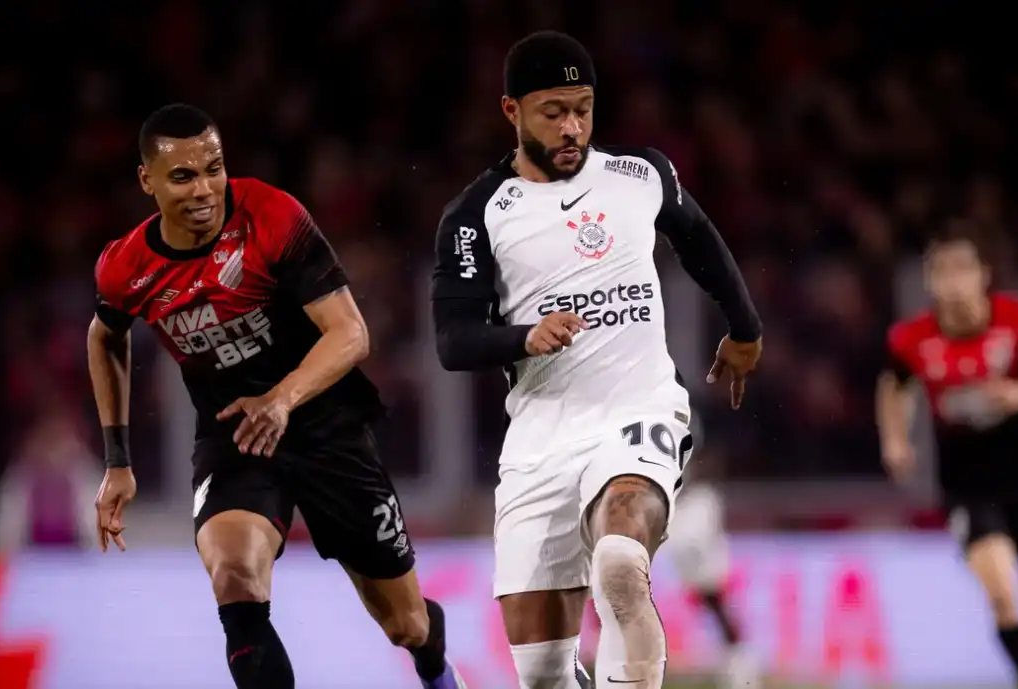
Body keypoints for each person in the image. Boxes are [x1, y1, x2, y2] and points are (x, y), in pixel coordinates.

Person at [89, 104, 465, 689]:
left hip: (326, 426)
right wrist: (118, 462)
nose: (204, 189)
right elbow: (105, 335)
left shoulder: (270, 216)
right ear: (148, 181)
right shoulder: (126, 268)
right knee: (234, 576)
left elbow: (351, 334)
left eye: (213, 169)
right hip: (234, 438)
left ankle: (436, 667)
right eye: (183, 176)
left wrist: (282, 399)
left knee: (405, 624)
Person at [430, 31, 762, 689]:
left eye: (583, 108)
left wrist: (744, 329)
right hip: (541, 437)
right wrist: (522, 337)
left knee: (619, 561)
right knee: (542, 674)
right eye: (553, 112)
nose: (572, 128)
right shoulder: (475, 216)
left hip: (638, 411)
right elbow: (452, 340)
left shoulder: (639, 176)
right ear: (511, 111)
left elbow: (698, 237)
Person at [876, 221, 1018, 689]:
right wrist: (895, 438)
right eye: (941, 272)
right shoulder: (912, 339)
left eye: (961, 269)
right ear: (929, 281)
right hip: (967, 481)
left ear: (983, 274)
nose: (952, 282)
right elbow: (893, 385)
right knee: (1001, 596)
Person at [661, 432, 759, 689]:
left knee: (719, 610)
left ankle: (739, 669)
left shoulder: (703, 499)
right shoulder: (685, 500)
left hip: (704, 564)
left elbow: (695, 539)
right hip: (689, 565)